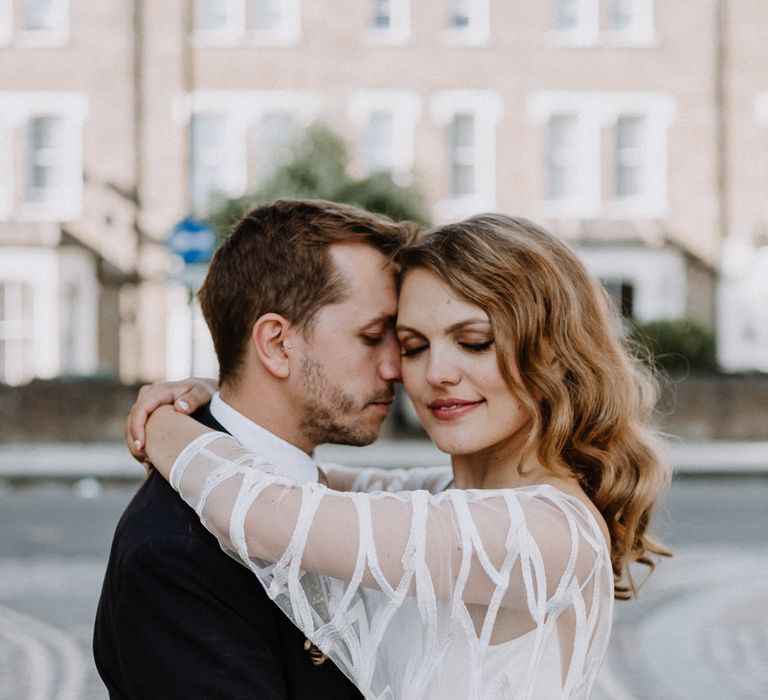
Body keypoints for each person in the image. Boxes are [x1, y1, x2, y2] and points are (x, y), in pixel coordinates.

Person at [133, 214, 670, 699]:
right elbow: (308, 478)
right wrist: (220, 391)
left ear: (552, 351)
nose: (435, 373)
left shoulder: (543, 533)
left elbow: (270, 512)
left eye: (475, 341)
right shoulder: (447, 497)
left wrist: (160, 424)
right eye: (413, 345)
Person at [93, 199, 417, 698]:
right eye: (372, 337)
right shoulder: (174, 553)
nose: (396, 367)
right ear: (275, 344)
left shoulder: (320, 490)